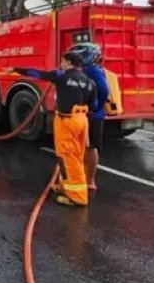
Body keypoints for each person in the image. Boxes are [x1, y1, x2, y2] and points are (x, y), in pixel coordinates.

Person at [6, 51, 95, 206]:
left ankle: (77, 197)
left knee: (68, 157)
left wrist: (15, 69)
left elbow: (37, 74)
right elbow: (93, 104)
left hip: (67, 120)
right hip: (82, 120)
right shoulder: (89, 81)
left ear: (68, 62)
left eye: (62, 61)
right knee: (76, 155)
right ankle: (66, 186)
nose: (61, 64)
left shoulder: (61, 76)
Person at [71, 42, 109, 192]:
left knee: (90, 147)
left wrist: (95, 108)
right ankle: (79, 177)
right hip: (80, 115)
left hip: (92, 117)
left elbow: (104, 91)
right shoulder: (84, 70)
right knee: (79, 148)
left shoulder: (93, 71)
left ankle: (90, 180)